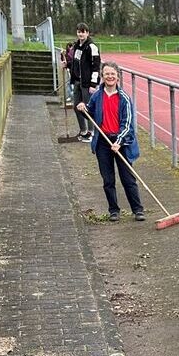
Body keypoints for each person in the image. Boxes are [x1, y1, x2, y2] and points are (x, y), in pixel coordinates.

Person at [76, 62, 145, 222]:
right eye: (106, 74)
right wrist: (83, 108)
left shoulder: (124, 98)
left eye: (113, 74)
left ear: (118, 77)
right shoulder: (97, 96)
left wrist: (119, 141)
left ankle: (137, 210)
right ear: (102, 76)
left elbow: (127, 125)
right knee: (108, 180)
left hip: (122, 142)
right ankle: (114, 210)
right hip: (103, 141)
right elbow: (91, 112)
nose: (110, 76)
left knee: (128, 179)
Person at [66, 22, 101, 142]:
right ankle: (83, 130)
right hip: (77, 81)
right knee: (77, 107)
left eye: (83, 32)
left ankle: (91, 132)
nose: (81, 34)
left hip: (87, 83)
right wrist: (67, 65)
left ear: (87, 33)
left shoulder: (91, 47)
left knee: (88, 108)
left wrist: (93, 84)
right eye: (79, 32)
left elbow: (96, 66)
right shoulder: (77, 46)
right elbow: (76, 62)